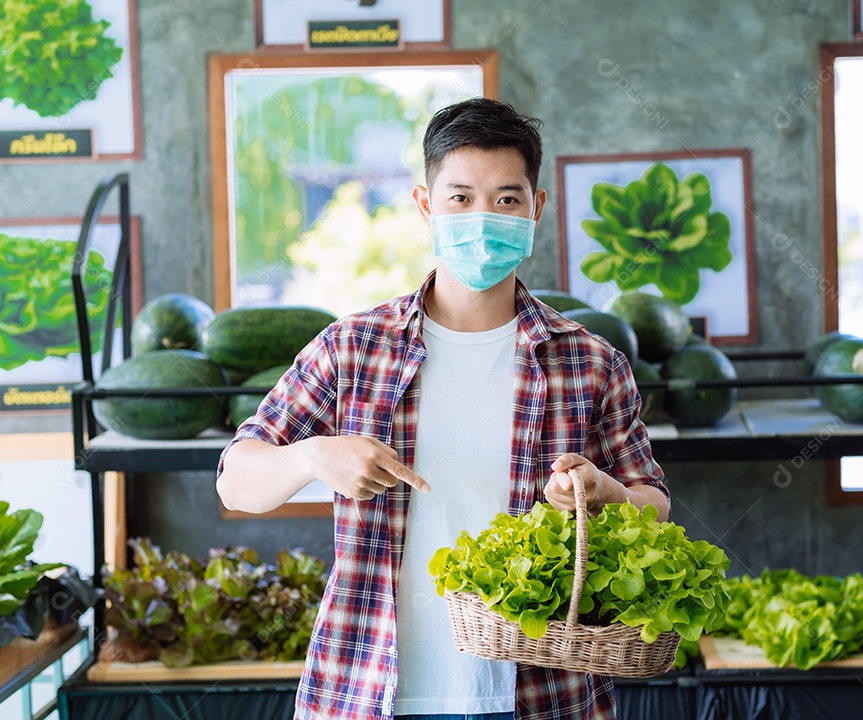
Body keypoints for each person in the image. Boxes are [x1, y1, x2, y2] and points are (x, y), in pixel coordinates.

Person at [216, 97, 669, 720]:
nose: (483, 216)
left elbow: (655, 506)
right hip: (374, 688)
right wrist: (317, 455)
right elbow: (237, 482)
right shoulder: (354, 348)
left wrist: (605, 493)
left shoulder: (590, 363)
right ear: (426, 206)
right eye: (460, 198)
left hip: (541, 694)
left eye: (507, 199)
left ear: (536, 208)